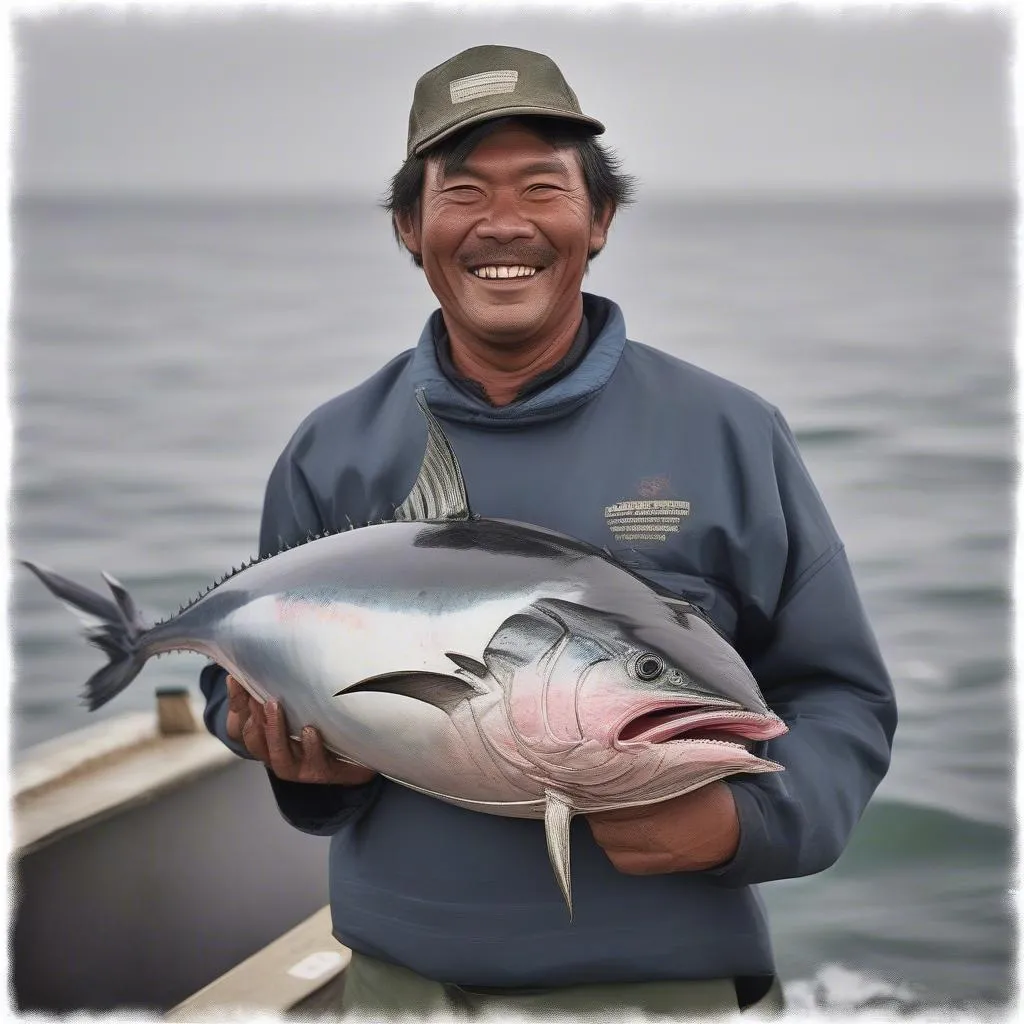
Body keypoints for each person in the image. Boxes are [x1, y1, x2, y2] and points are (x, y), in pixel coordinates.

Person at [200, 44, 896, 1017]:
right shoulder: (332, 451)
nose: (504, 224)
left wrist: (746, 818)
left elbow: (842, 695)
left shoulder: (729, 433)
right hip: (402, 988)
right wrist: (298, 763)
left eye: (541, 185)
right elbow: (241, 676)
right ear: (409, 226)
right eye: (462, 191)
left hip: (667, 992)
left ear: (599, 217)